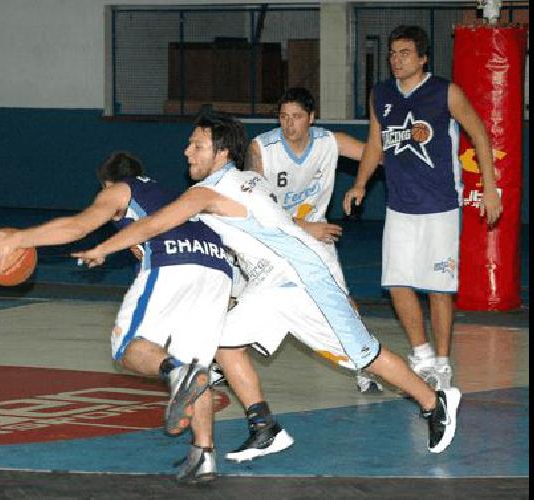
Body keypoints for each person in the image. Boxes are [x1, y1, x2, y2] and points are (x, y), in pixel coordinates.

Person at [73, 111, 461, 462]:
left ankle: (435, 402)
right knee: (220, 343)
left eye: (197, 144)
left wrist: (106, 246)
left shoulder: (209, 192)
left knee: (363, 357)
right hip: (270, 285)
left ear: (222, 152)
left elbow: (158, 222)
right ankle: (264, 428)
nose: (187, 151)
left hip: (303, 281)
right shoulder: (240, 182)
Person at [0, 151, 231, 484]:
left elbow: (78, 226)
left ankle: (178, 373)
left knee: (126, 344)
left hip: (175, 263)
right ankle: (204, 455)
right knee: (197, 361)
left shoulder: (121, 189)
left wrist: (20, 239)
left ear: (107, 183)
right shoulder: (170, 194)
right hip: (218, 269)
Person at [341, 25, 503, 433]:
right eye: (393, 53)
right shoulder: (382, 94)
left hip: (440, 207)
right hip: (400, 207)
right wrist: (360, 183)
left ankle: (443, 365)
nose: (397, 60)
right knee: (396, 284)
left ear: (423, 58)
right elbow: (375, 143)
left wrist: (490, 189)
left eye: (405, 53)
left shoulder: (444, 92)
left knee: (438, 288)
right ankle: (422, 356)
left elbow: (480, 135)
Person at [246, 86, 383, 394]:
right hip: (271, 239)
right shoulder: (261, 149)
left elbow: (375, 155)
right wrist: (303, 226)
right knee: (234, 299)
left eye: (296, 117)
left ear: (311, 118)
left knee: (344, 304)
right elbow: (254, 206)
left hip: (315, 239)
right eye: (283, 117)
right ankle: (218, 364)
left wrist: (412, 168)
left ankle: (365, 366)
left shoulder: (328, 142)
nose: (288, 124)